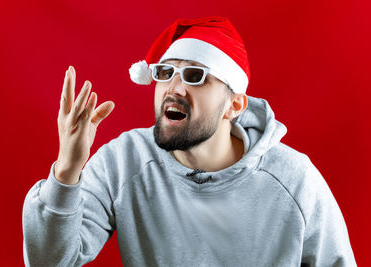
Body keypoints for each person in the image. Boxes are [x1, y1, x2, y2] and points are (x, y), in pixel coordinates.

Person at [22, 16, 357, 266]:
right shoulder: (123, 163)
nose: (174, 88)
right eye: (165, 73)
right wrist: (66, 171)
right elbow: (49, 262)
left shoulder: (293, 180)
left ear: (234, 105)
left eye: (195, 76)